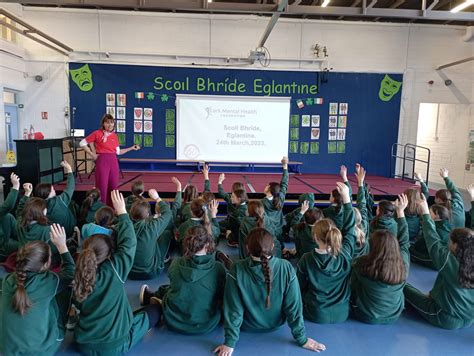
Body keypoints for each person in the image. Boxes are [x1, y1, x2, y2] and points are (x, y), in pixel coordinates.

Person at [73, 191, 160, 355]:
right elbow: (129, 242)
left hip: (84, 343)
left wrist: (64, 250)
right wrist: (122, 212)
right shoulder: (114, 269)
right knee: (154, 311)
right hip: (115, 346)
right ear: (109, 254)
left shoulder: (77, 271)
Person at [214, 228, 326, 356]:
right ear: (273, 246)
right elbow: (294, 307)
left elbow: (234, 309)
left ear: (247, 248)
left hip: (247, 326)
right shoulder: (286, 268)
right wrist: (302, 339)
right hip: (276, 325)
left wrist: (230, 342)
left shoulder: (237, 269)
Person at [0, 224, 75, 355]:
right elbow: (70, 273)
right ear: (45, 265)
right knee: (64, 294)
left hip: (7, 350)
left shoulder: (7, 281)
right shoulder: (49, 281)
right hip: (39, 351)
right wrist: (62, 246)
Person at [140, 225, 226, 334]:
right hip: (206, 324)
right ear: (207, 244)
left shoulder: (175, 263)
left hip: (173, 320)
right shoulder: (218, 268)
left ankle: (154, 296)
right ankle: (155, 296)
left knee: (173, 289)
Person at [404, 197, 474, 329]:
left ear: (455, 245)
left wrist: (425, 213)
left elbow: (432, 239)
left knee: (401, 287)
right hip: (469, 318)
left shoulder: (449, 261)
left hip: (444, 315)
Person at [297, 182, 356, 324]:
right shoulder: (345, 254)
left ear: (315, 237)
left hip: (315, 313)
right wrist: (347, 199)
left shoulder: (307, 259)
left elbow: (299, 287)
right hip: (342, 313)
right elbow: (349, 228)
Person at [351, 194, 410, 324]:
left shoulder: (363, 263)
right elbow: (405, 243)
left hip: (365, 315)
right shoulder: (402, 265)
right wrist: (400, 212)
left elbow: (353, 285)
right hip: (394, 315)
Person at [80, 114, 141, 206]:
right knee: (102, 186)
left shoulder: (114, 136)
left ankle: (112, 210)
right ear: (103, 123)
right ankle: (101, 209)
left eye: (112, 123)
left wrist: (131, 148)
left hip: (113, 161)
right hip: (102, 161)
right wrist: (92, 154)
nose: (110, 125)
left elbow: (118, 152)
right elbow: (82, 143)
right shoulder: (97, 133)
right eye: (107, 122)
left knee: (113, 187)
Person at [129, 188, 172, 280]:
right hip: (151, 273)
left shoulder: (124, 227)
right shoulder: (152, 227)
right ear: (148, 215)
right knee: (166, 234)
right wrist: (158, 198)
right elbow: (168, 213)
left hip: (128, 272)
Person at [33, 161, 77, 236]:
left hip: (51, 236)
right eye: (53, 189)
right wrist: (69, 169)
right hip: (69, 233)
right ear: (48, 193)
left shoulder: (36, 207)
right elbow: (70, 187)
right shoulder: (59, 200)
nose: (54, 190)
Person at [261, 157, 289, 243]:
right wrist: (285, 167)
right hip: (279, 230)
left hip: (268, 232)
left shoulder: (262, 202)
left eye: (267, 185)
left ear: (269, 189)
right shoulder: (280, 197)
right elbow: (284, 183)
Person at [217, 173, 248, 247]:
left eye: (233, 196)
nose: (231, 197)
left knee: (216, 226)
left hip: (232, 223)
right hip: (235, 224)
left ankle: (231, 236)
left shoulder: (231, 201)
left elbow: (221, 193)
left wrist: (220, 182)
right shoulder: (245, 203)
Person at [323, 166, 353, 230]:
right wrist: (344, 177)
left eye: (330, 195)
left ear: (333, 199)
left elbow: (349, 193)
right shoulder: (345, 209)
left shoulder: (326, 211)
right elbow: (348, 193)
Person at [0, 173, 20, 261]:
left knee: (7, 216)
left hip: (4, 238)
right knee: (29, 245)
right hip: (2, 246)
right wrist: (15, 186)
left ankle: (21, 237)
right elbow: (7, 206)